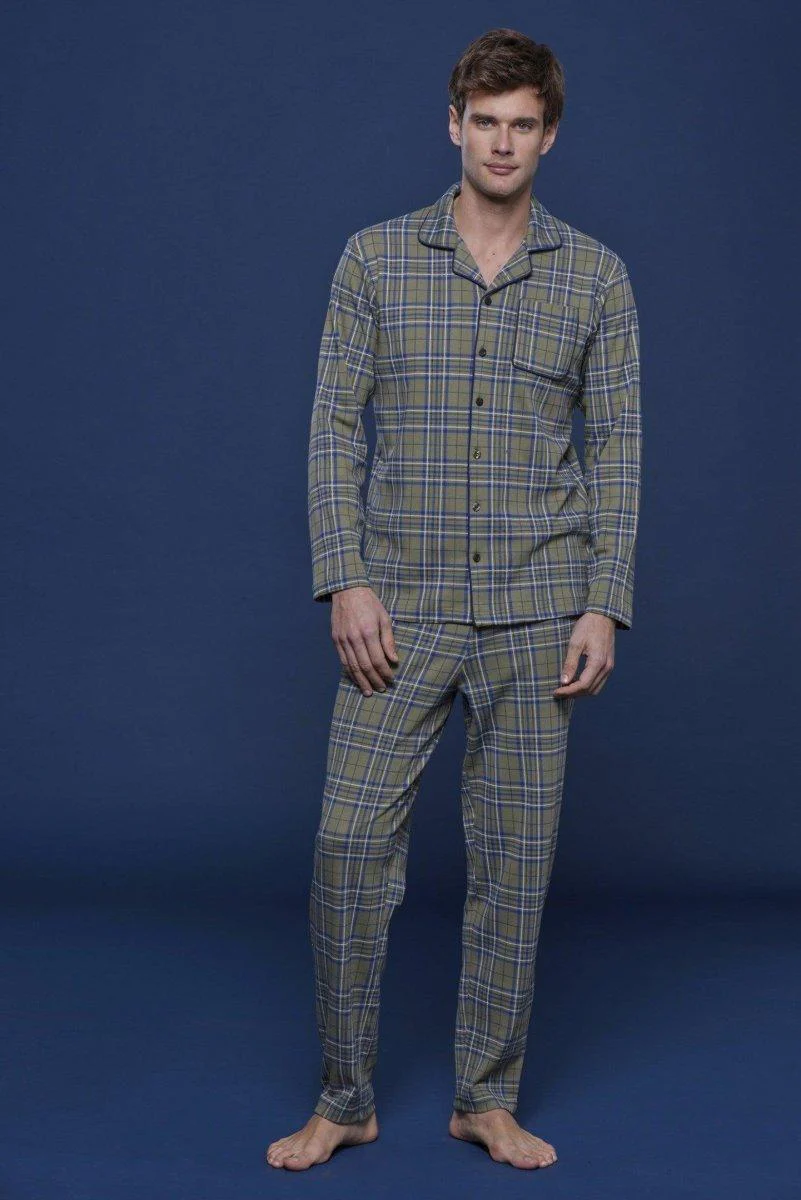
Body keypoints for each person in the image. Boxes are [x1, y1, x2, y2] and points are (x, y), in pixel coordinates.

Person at [266, 27, 642, 1172]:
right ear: (453, 125)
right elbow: (333, 427)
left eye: (523, 124)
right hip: (400, 609)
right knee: (347, 847)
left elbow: (616, 447)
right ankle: (346, 1097)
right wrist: (346, 576)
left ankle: (487, 1097)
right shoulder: (375, 259)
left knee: (514, 868)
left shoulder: (595, 276)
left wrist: (602, 601)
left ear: (550, 135)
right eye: (486, 122)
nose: (503, 143)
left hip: (538, 610)